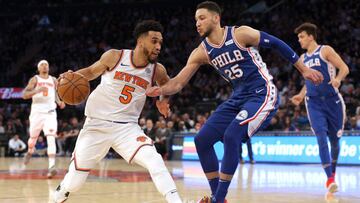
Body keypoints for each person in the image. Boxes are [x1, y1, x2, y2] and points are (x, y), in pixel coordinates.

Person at [146, 2, 323, 202]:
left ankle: (218, 198)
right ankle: (218, 197)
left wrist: (304, 69)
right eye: (195, 20)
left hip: (262, 93)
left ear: (216, 18)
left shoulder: (240, 34)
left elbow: (276, 43)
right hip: (237, 98)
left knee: (231, 136)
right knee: (201, 140)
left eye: (202, 18)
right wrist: (161, 92)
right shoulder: (201, 51)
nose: (197, 23)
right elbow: (177, 83)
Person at [53, 20, 182, 203]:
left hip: (127, 128)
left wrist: (163, 101)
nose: (159, 46)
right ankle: (60, 193)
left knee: (154, 160)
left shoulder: (157, 70)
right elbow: (90, 72)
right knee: (75, 183)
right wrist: (71, 77)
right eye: (154, 41)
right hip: (96, 124)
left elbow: (166, 86)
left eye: (161, 42)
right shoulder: (115, 56)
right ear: (141, 41)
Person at [290, 22, 349, 193]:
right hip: (313, 102)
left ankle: (333, 172)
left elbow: (344, 68)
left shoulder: (325, 50)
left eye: (301, 37)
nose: (299, 40)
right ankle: (329, 179)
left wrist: (338, 79)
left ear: (310, 36)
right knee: (321, 137)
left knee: (335, 141)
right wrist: (301, 95)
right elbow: (307, 81)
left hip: (332, 101)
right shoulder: (302, 59)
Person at [22, 59, 66, 178]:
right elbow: (24, 95)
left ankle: (51, 167)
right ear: (38, 68)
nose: (45, 66)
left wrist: (59, 102)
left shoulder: (53, 80)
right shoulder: (35, 79)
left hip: (50, 112)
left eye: (46, 64)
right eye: (42, 64)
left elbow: (56, 94)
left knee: (51, 137)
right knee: (33, 138)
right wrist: (37, 90)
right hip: (37, 112)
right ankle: (30, 151)